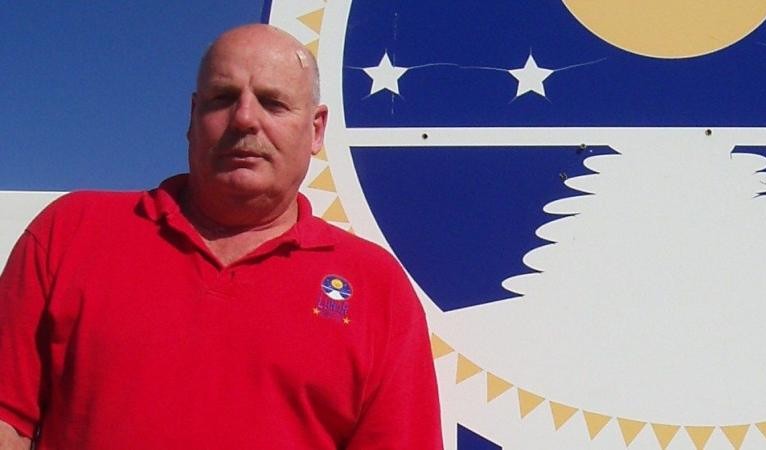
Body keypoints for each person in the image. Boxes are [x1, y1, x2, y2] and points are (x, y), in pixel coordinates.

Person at [0, 24, 443, 449]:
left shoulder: (377, 289)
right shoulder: (71, 234)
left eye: (272, 103)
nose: (244, 119)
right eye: (223, 98)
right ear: (193, 117)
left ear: (316, 130)